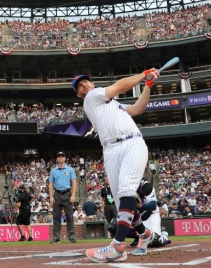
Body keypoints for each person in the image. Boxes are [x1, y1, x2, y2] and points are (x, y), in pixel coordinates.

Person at [73, 70, 159, 262]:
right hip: (110, 149)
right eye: (80, 85)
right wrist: (144, 74)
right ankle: (144, 234)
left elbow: (138, 109)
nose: (85, 85)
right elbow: (121, 85)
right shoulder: (92, 98)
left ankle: (117, 246)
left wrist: (148, 85)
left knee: (127, 190)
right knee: (122, 202)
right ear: (79, 94)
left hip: (132, 143)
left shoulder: (115, 105)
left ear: (92, 84)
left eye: (87, 81)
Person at [49, 151, 77, 243]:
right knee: (56, 217)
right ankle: (56, 237)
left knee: (69, 216)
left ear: (65, 158)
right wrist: (51, 197)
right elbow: (51, 184)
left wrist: (73, 195)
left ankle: (72, 236)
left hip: (67, 193)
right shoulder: (53, 171)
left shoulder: (70, 169)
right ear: (57, 159)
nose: (60, 158)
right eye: (59, 157)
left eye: (62, 156)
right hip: (57, 193)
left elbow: (74, 182)